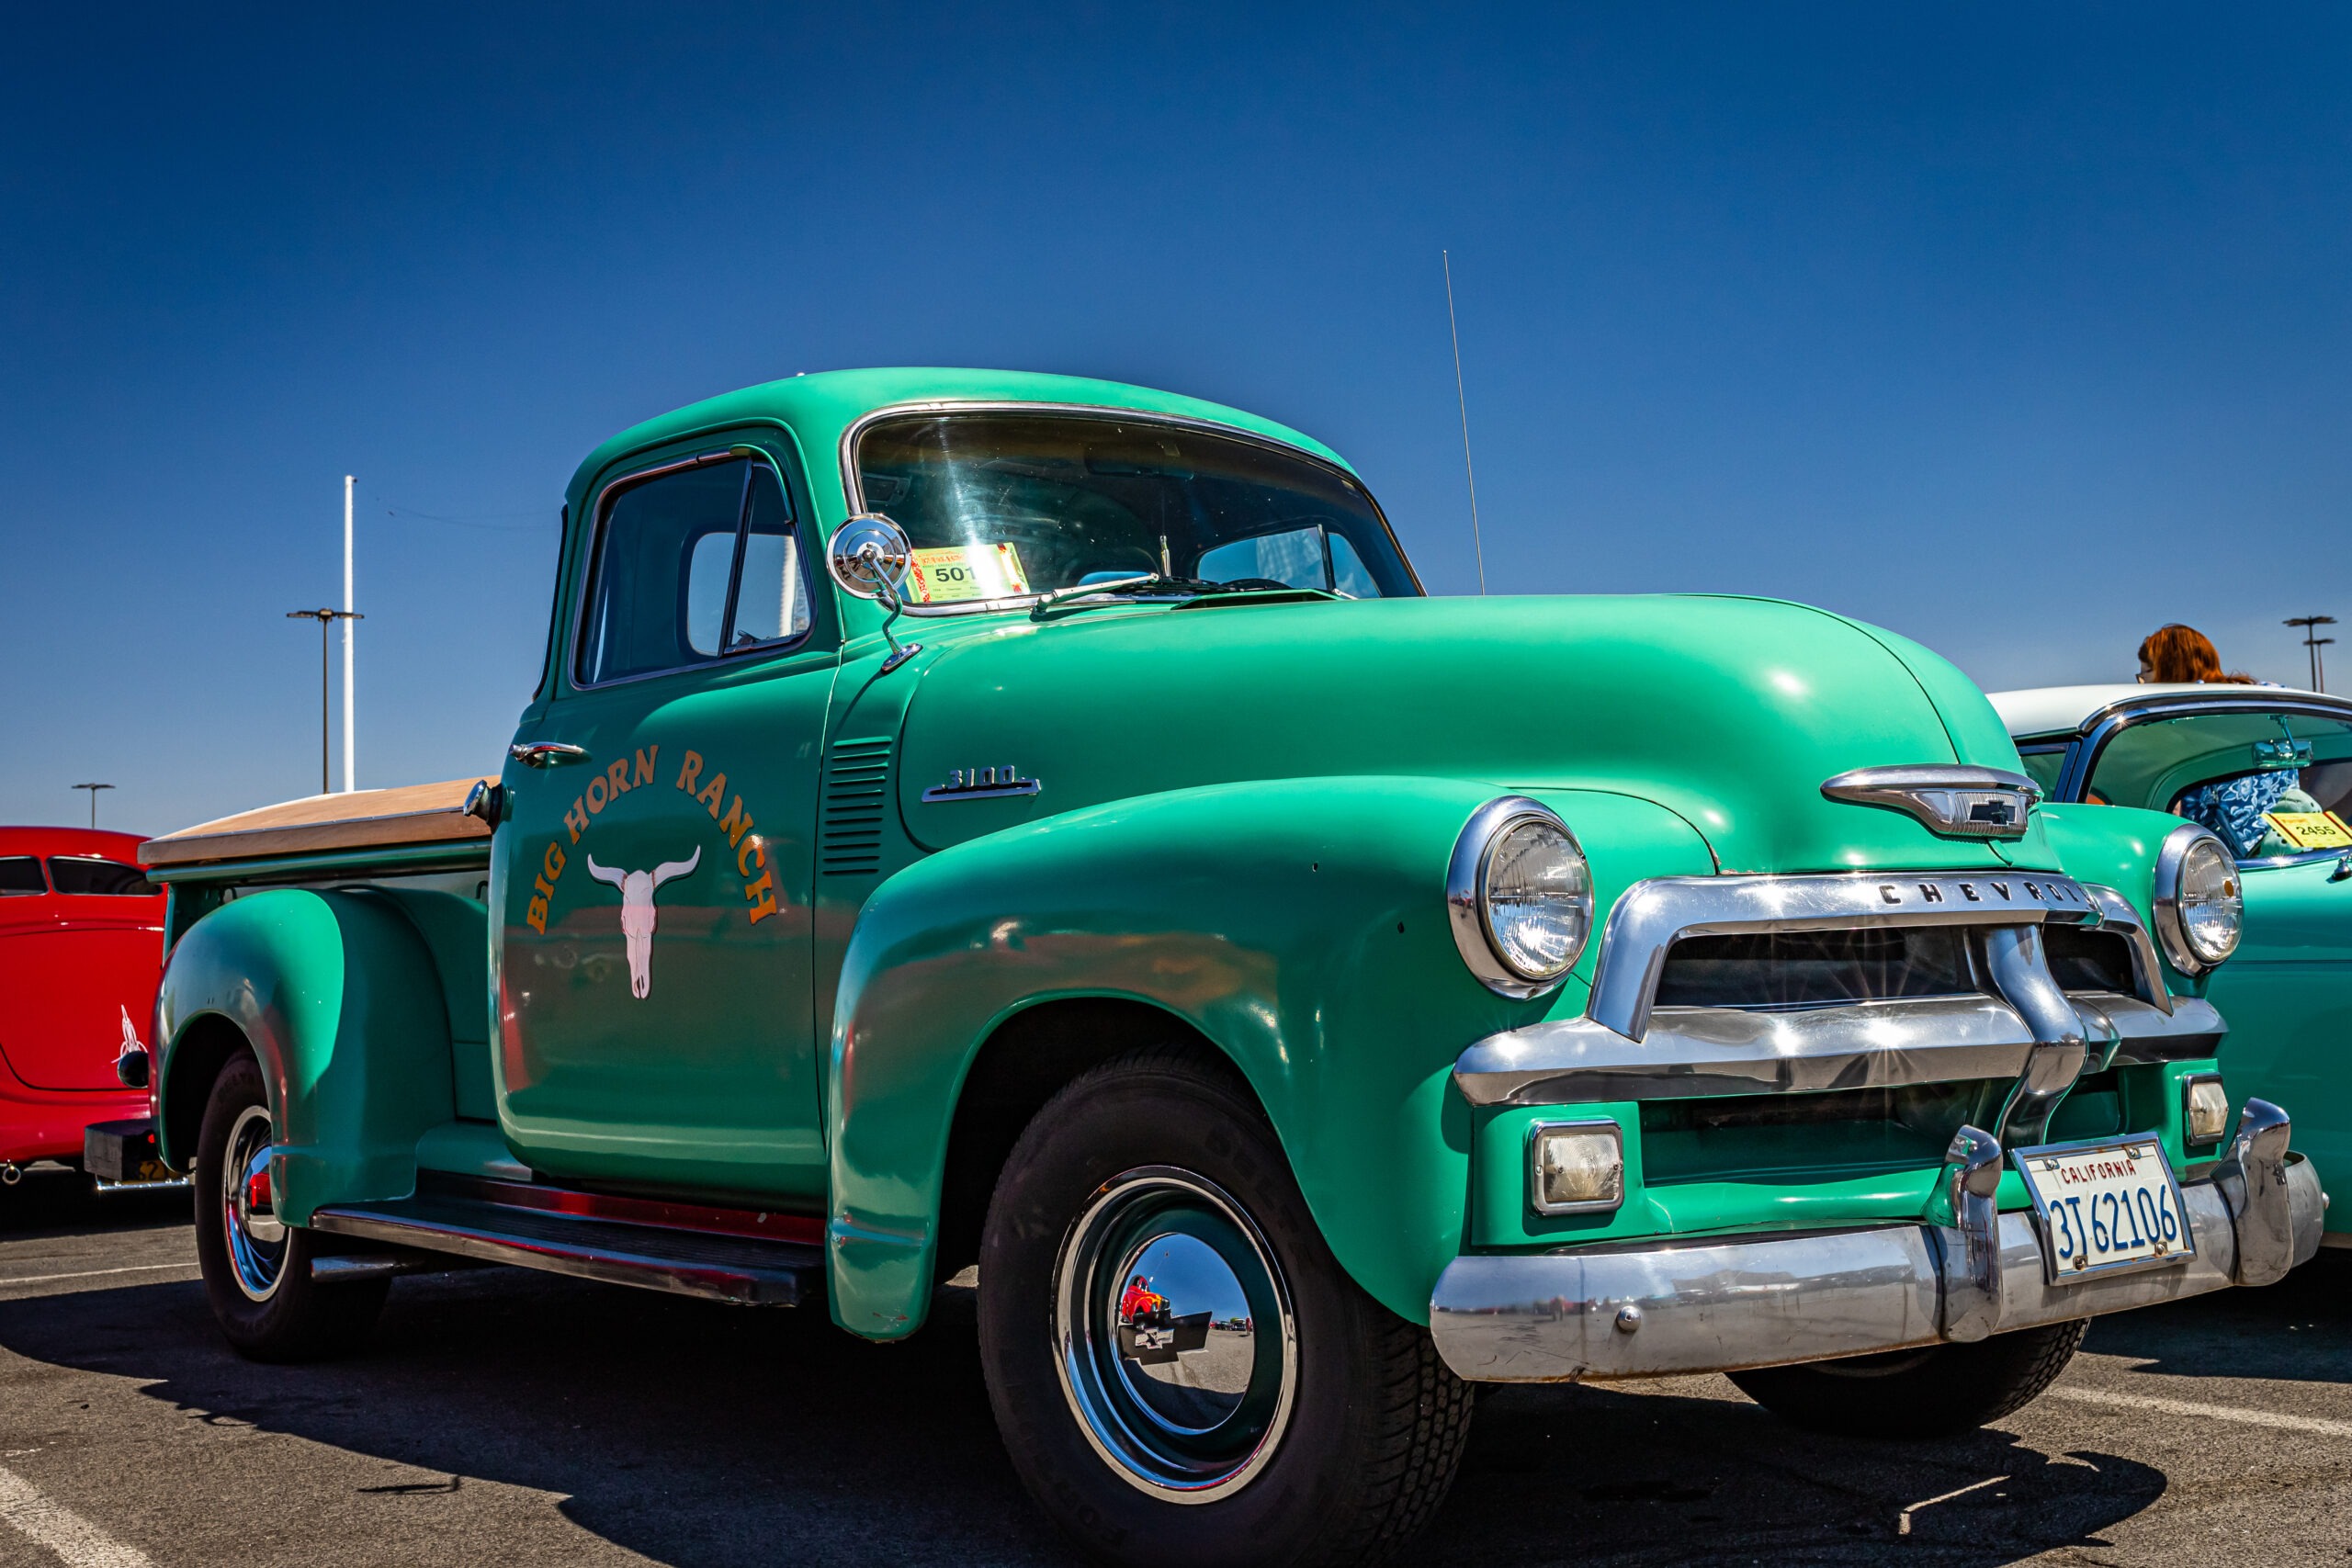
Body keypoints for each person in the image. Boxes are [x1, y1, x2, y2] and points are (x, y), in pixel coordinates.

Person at [2137, 625, 2256, 685]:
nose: (2142, 682)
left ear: (2173, 671)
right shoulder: (2255, 699)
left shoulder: (2167, 718)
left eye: (2146, 672)